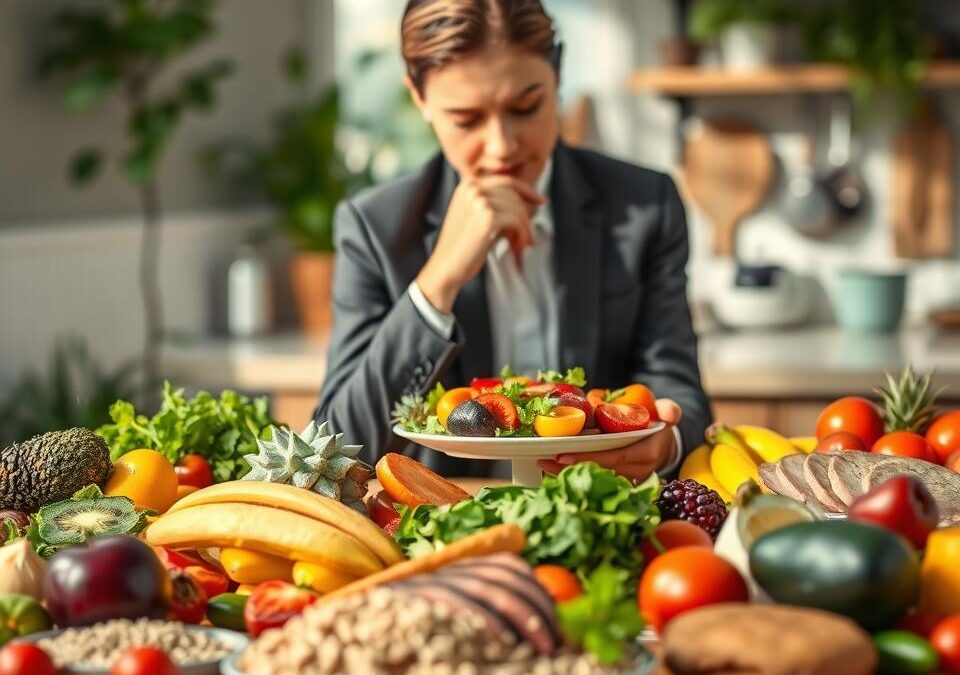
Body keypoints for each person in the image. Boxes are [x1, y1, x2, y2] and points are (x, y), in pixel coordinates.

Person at [315, 0, 711, 481]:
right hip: (445, 528)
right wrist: (437, 283)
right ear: (419, 99)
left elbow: (681, 395)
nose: (502, 146)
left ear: (557, 77)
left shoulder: (646, 205)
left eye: (526, 106)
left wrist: (665, 444)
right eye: (466, 119)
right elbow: (334, 443)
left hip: (600, 520)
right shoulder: (373, 226)